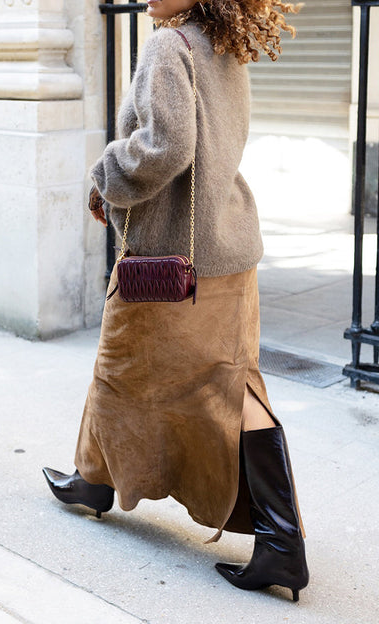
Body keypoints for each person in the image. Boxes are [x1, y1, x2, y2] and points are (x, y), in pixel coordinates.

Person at [43, 0, 309, 602]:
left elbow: (167, 146)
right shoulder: (221, 42)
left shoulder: (169, 46)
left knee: (120, 363)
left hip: (170, 262)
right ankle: (277, 540)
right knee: (235, 383)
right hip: (229, 249)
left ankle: (280, 542)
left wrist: (104, 175)